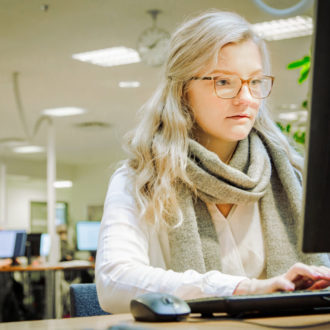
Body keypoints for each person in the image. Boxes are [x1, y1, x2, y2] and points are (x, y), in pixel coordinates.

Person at [95, 10, 330, 313]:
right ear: (183, 90)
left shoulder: (291, 176)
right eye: (224, 82)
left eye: (255, 82)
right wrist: (240, 289)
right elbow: (113, 281)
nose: (246, 97)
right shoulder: (140, 179)